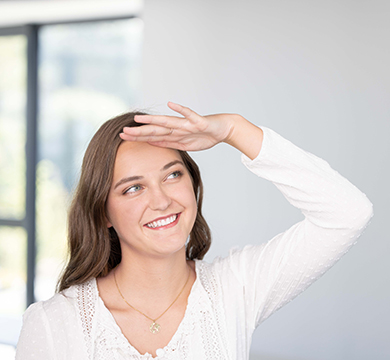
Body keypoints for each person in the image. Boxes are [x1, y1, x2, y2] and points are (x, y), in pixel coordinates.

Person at [16, 102, 373, 359]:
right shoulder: (53, 323)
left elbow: (348, 213)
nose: (161, 201)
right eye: (133, 188)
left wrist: (234, 129)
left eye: (173, 175)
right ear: (103, 213)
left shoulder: (235, 288)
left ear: (193, 183)